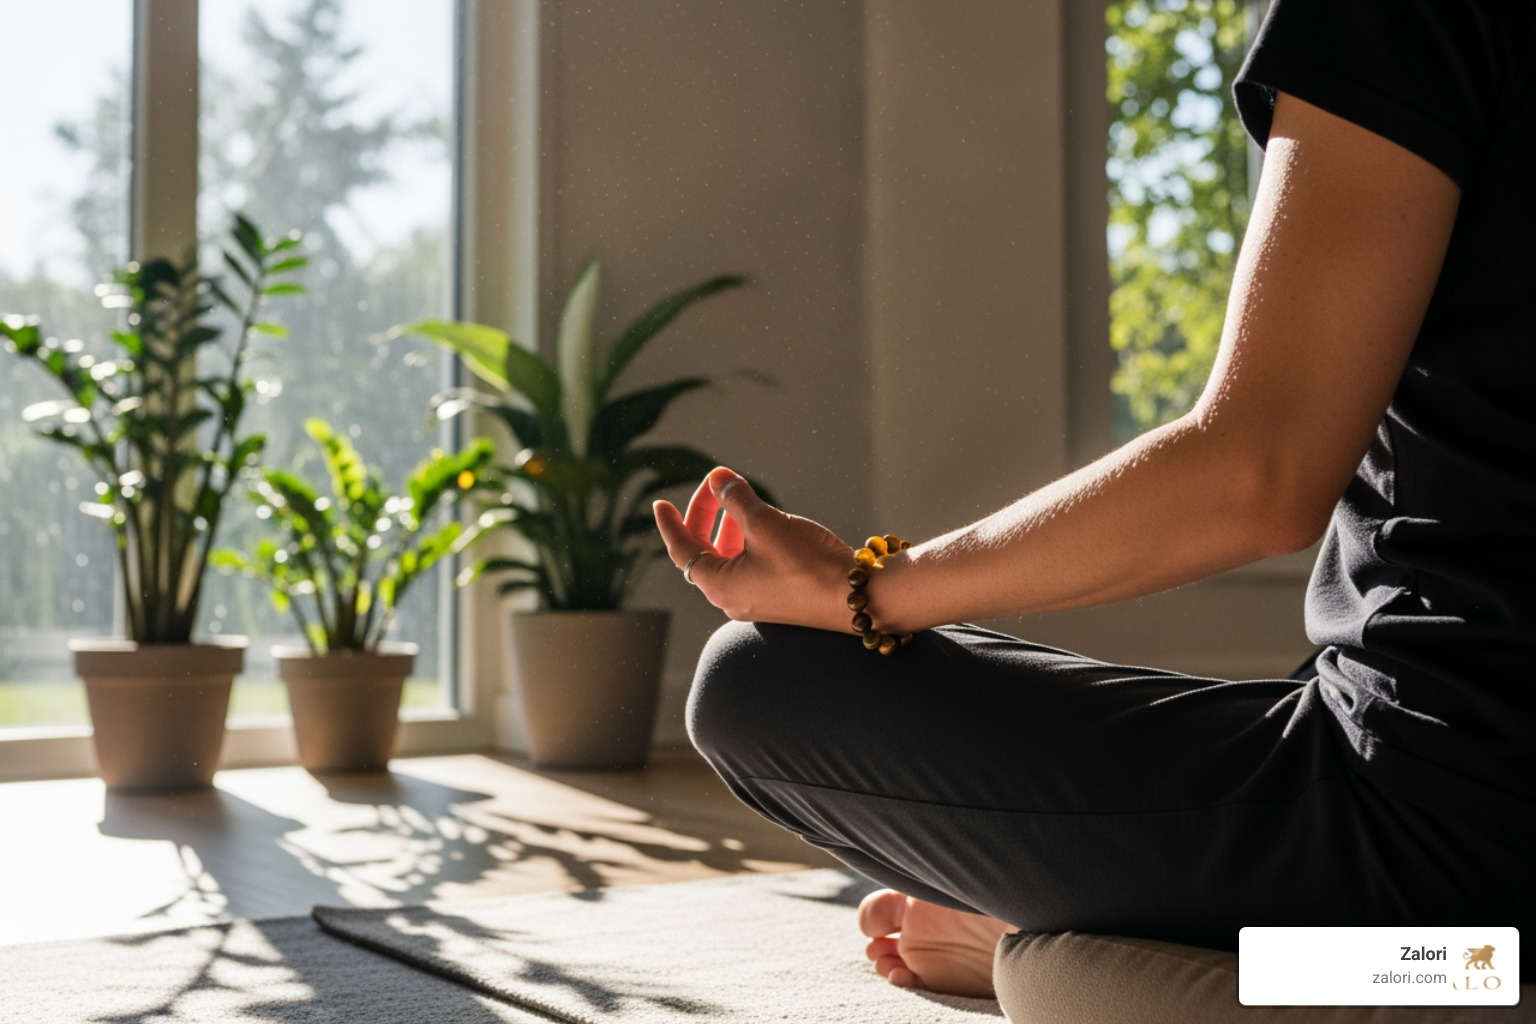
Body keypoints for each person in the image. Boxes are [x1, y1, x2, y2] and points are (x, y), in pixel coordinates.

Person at [653, 0, 1534, 999]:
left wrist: (868, 586)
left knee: (760, 680)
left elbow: (1260, 473)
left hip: (1461, 850)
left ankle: (1082, 944)